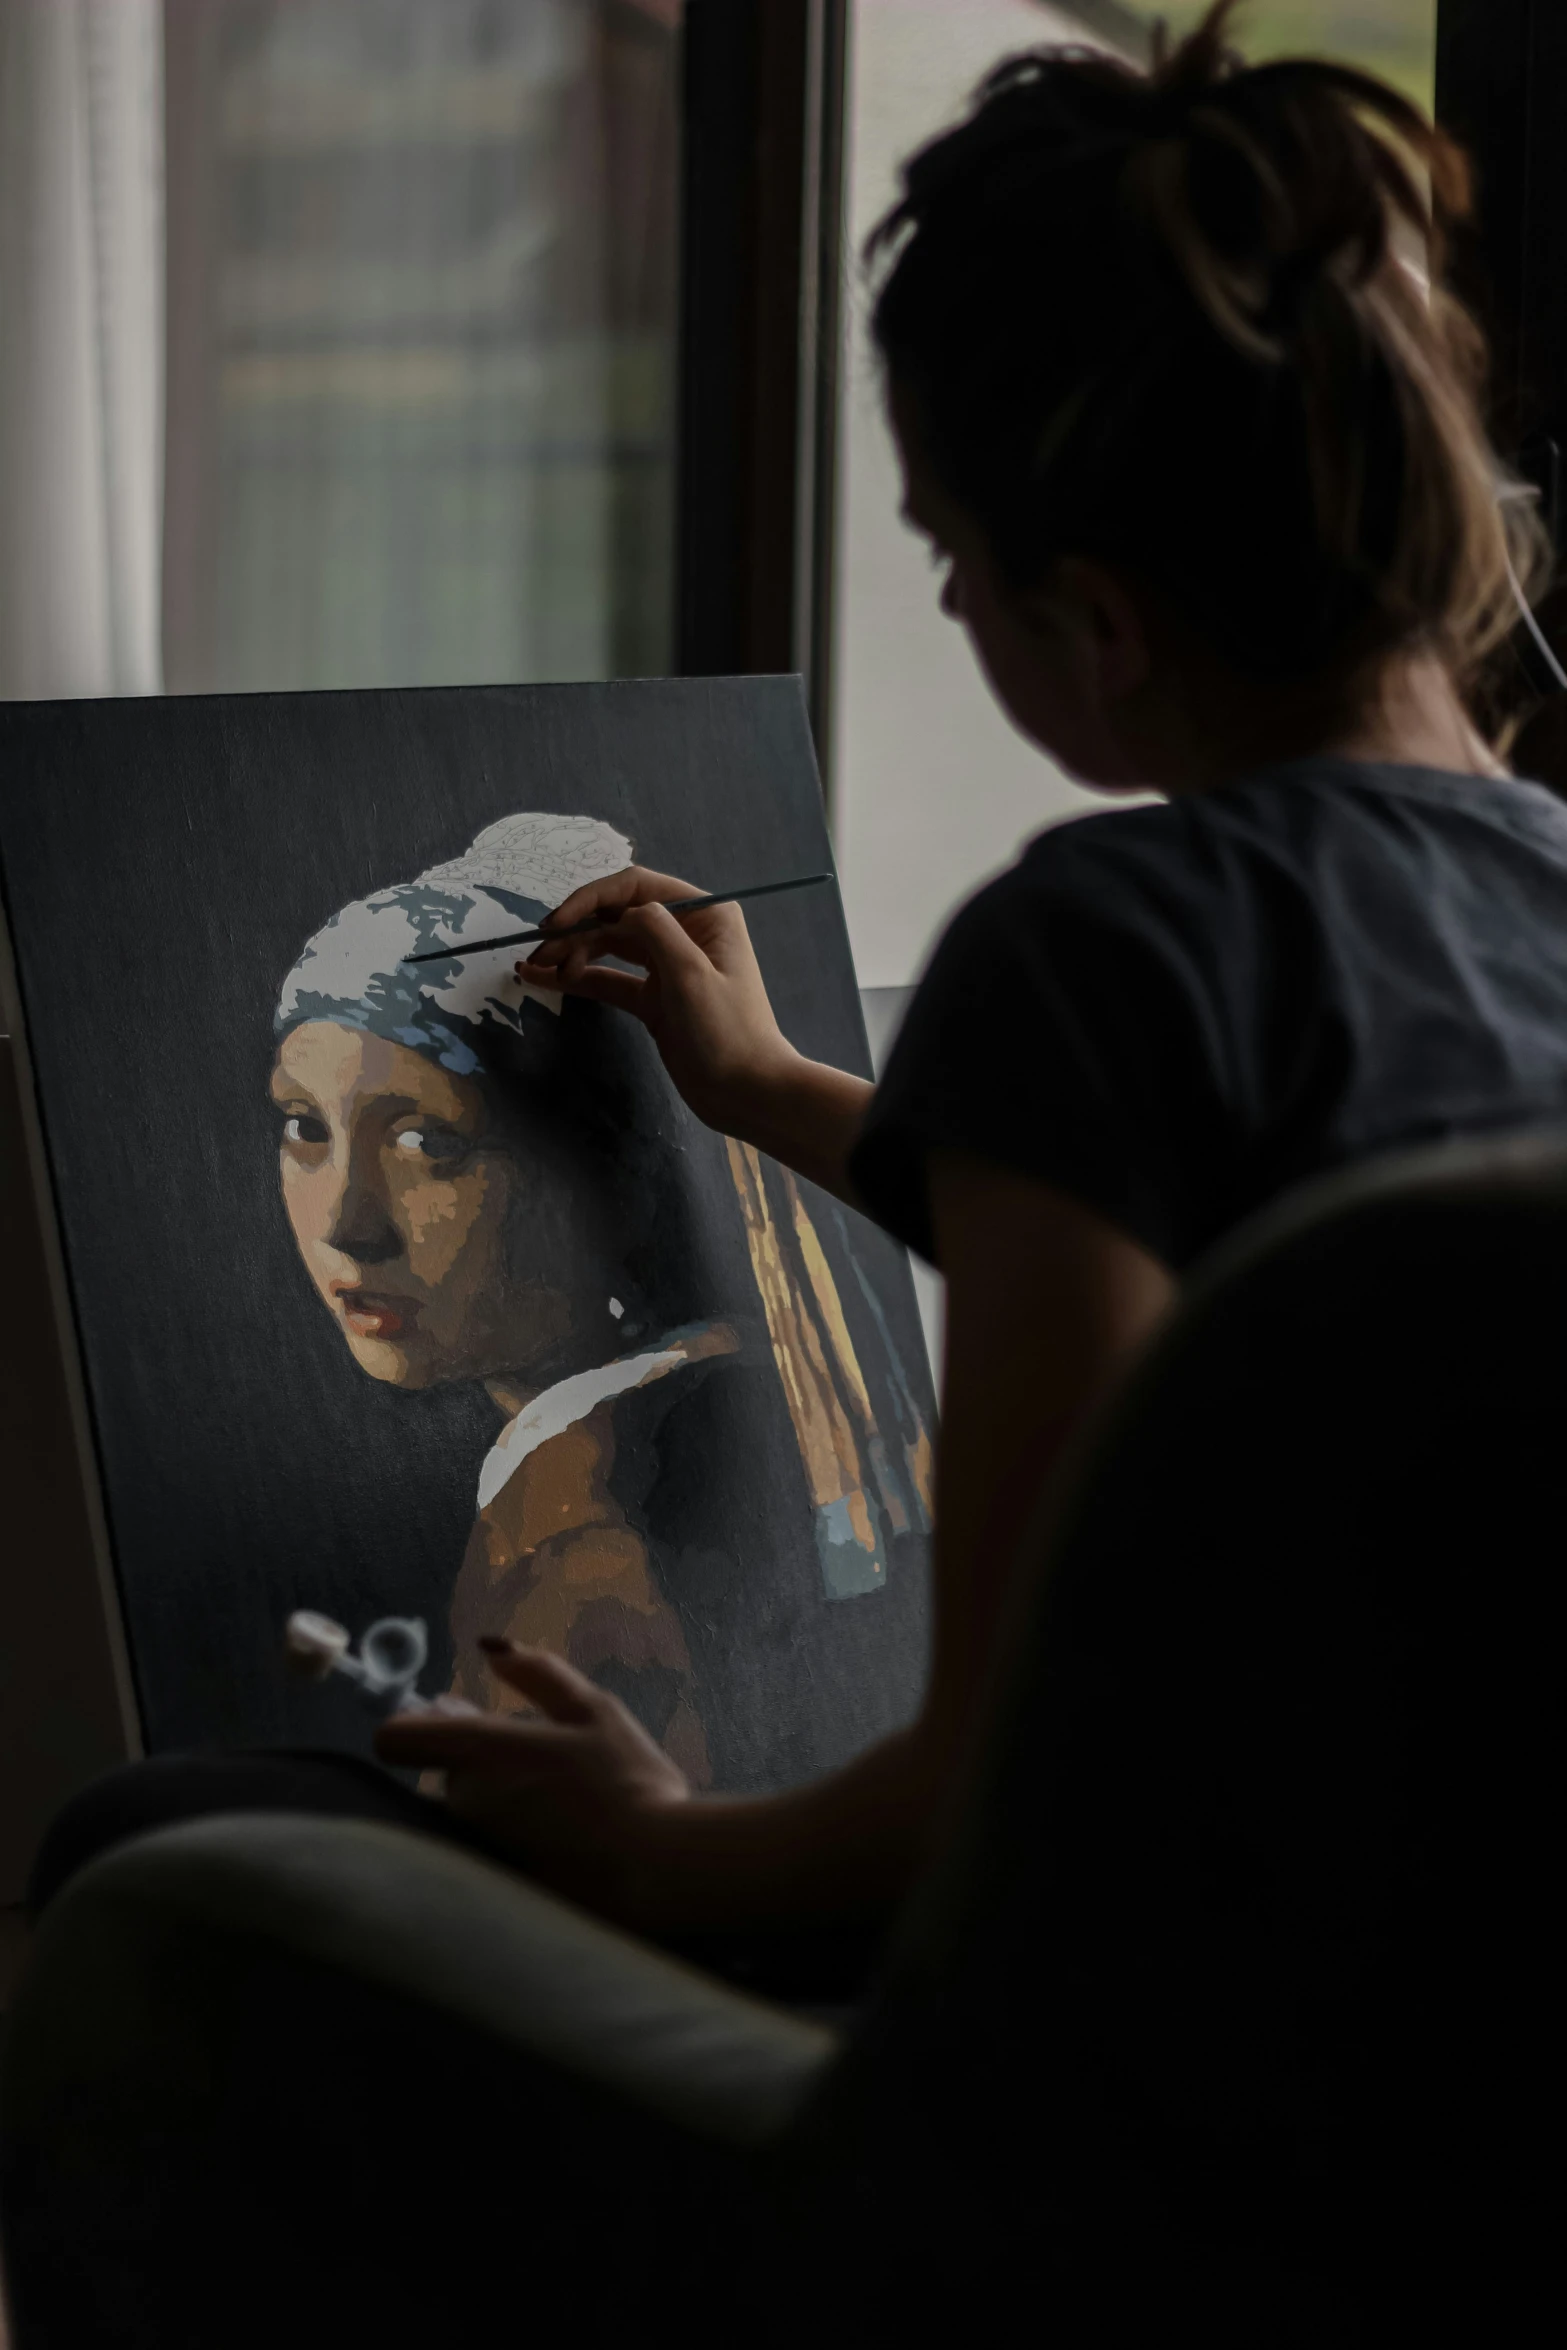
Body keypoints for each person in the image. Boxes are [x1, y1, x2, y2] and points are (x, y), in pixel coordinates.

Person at [367, 0, 1567, 1936]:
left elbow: (987, 1822)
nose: (938, 596)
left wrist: (646, 1835)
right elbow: (1216, 1248)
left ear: (1096, 617)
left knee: (168, 1871)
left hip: (1136, 2130)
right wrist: (760, 1082)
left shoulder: (1100, 946)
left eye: (944, 555)